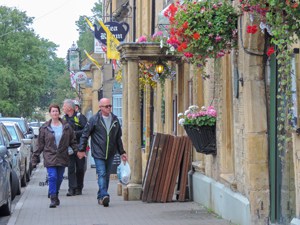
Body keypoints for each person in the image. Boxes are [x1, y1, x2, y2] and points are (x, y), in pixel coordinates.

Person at [77, 98, 127, 207]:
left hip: (110, 152)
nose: (109, 108)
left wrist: (122, 152)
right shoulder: (94, 120)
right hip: (98, 152)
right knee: (102, 173)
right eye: (106, 106)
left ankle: (101, 197)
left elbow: (118, 138)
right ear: (100, 107)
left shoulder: (115, 119)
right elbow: (85, 135)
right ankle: (104, 194)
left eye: (110, 106)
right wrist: (81, 149)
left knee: (107, 175)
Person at [31, 104, 78, 208]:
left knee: (59, 178)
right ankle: (53, 198)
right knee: (52, 176)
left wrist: (77, 151)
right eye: (53, 111)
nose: (55, 113)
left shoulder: (66, 126)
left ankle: (55, 193)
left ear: (59, 113)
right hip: (50, 155)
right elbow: (40, 144)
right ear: (50, 113)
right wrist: (35, 157)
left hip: (62, 155)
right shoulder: (44, 128)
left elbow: (72, 141)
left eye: (56, 111)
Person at [62, 99, 87, 196]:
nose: (63, 108)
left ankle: (79, 187)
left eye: (64, 106)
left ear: (69, 108)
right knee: (71, 168)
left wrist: (75, 134)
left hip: (80, 146)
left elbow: (86, 130)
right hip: (69, 147)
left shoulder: (80, 117)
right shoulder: (64, 119)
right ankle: (71, 188)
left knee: (80, 168)